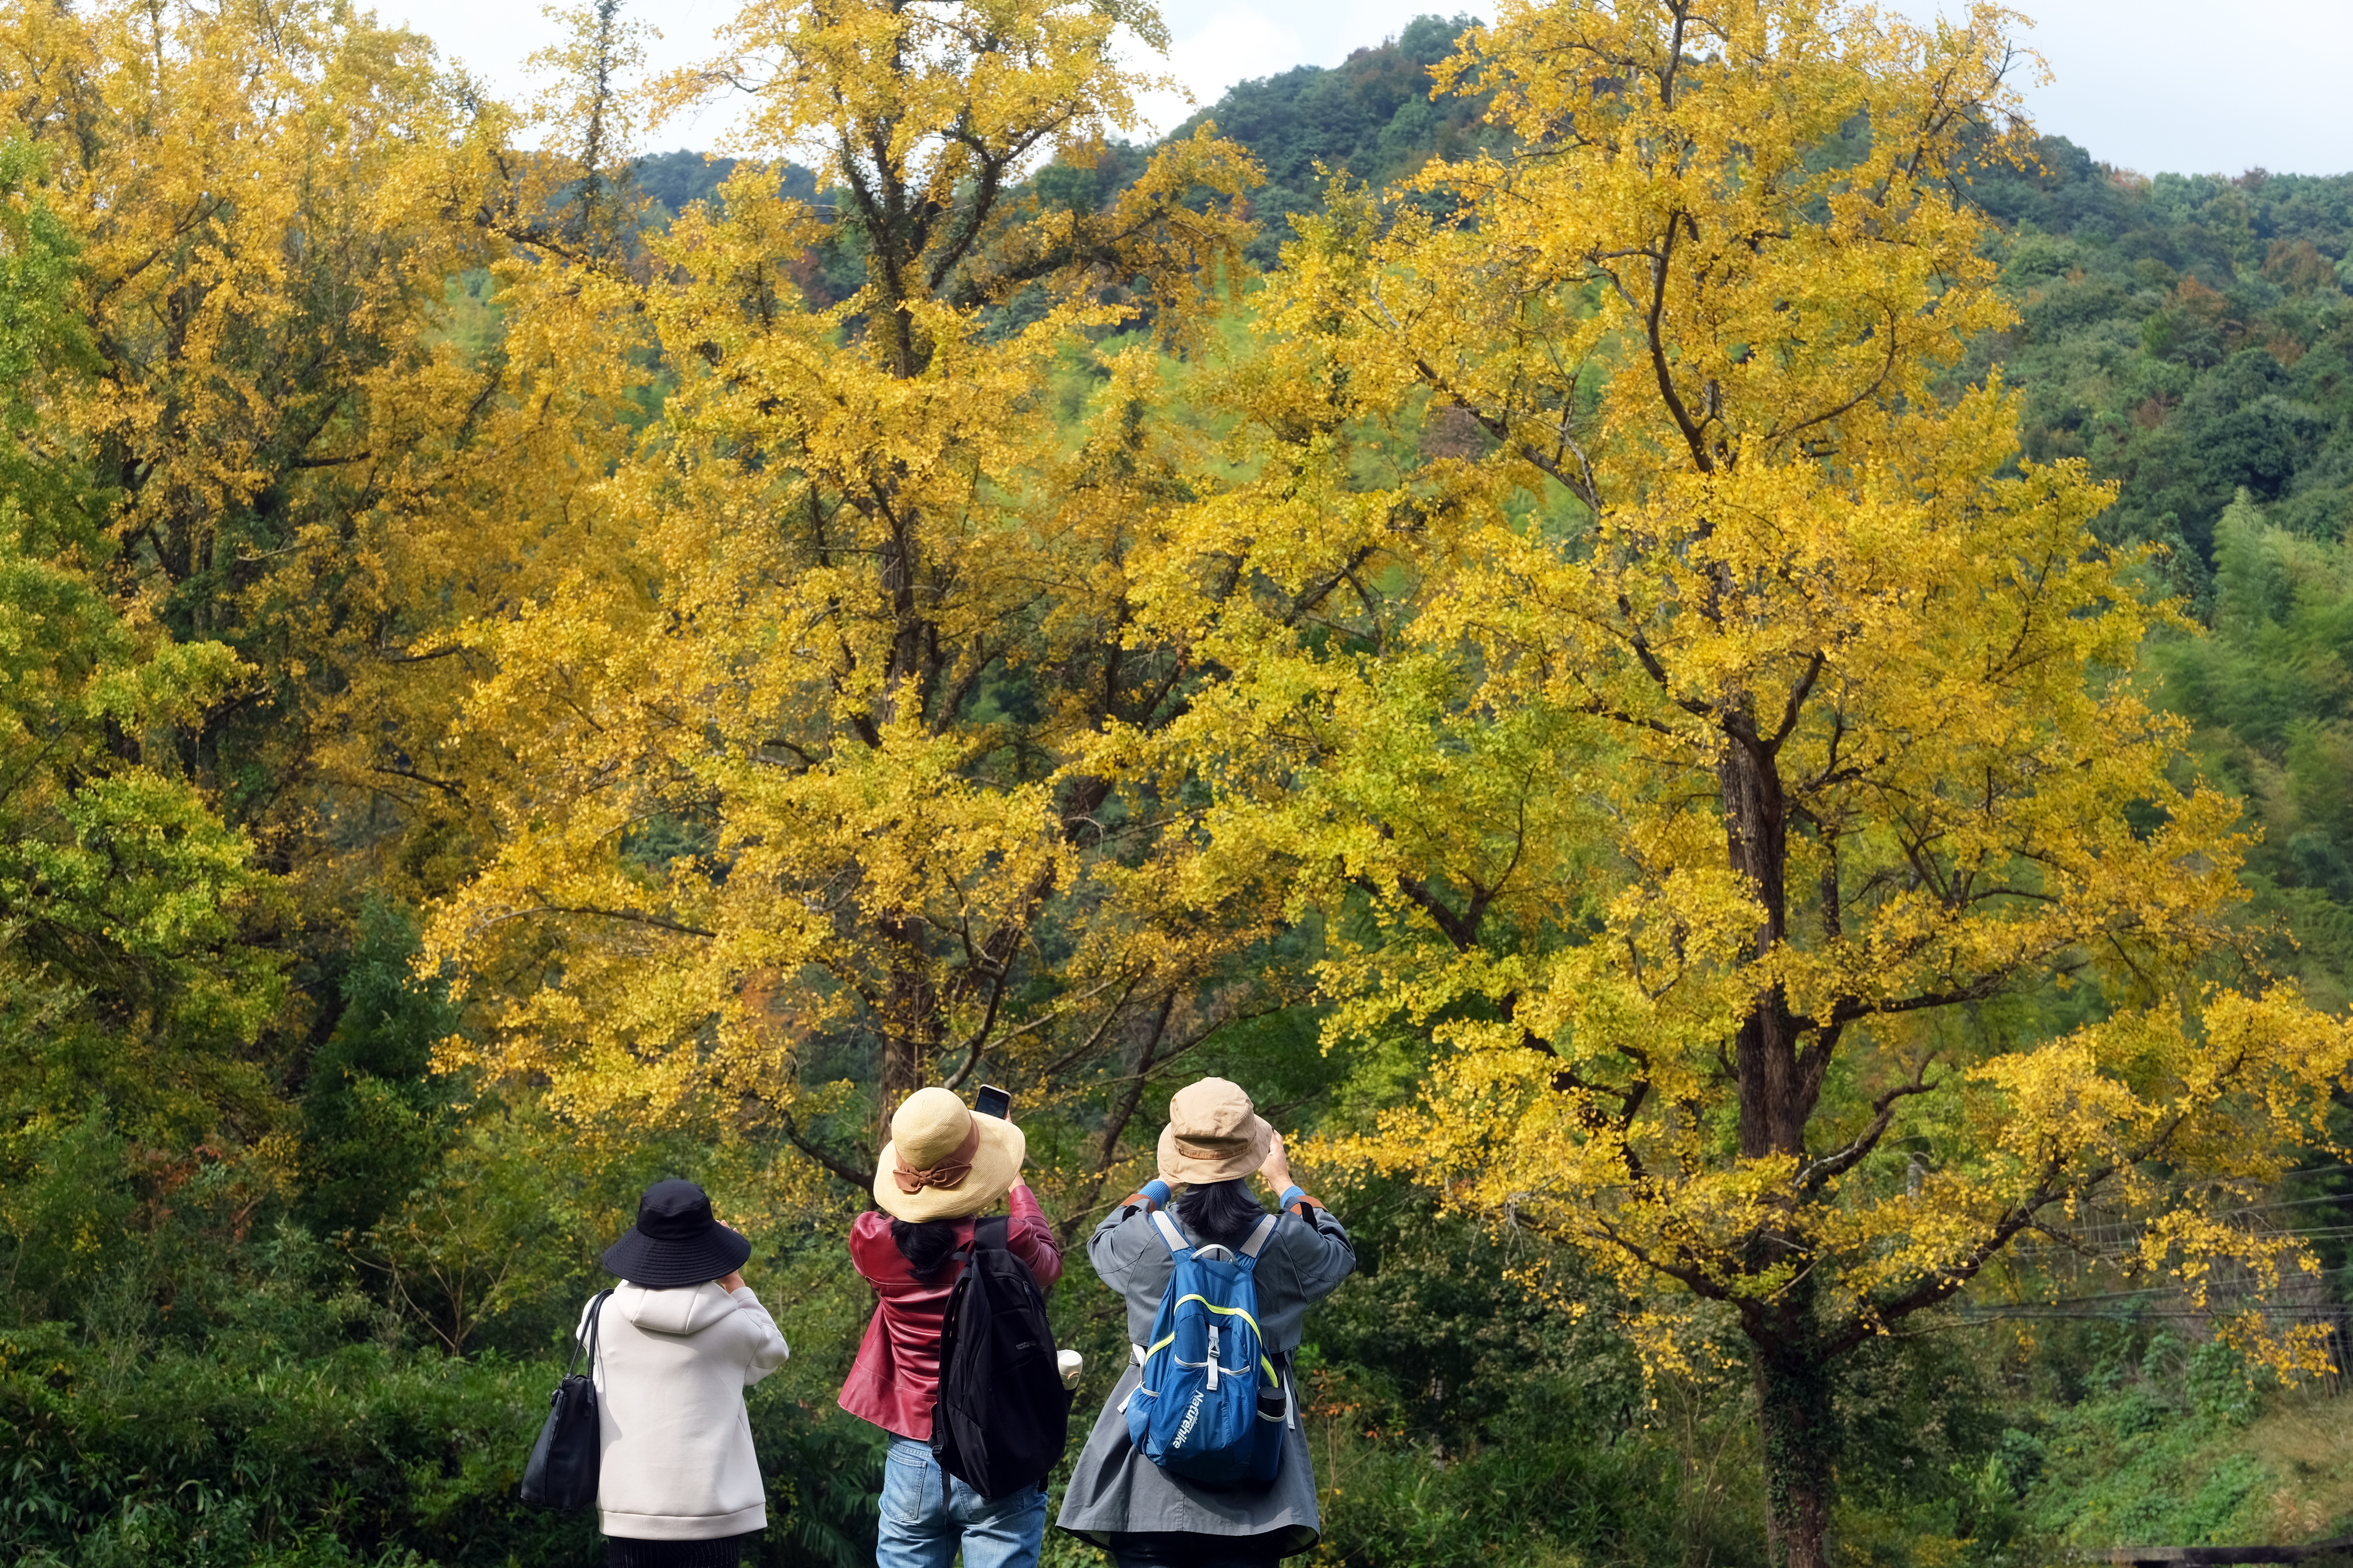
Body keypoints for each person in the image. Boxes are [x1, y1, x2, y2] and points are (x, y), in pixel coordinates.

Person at [1057, 1078, 1355, 1567]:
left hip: (1148, 1485)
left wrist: (1163, 1181)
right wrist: (1286, 1184)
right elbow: (1339, 1251)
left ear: (1179, 1154)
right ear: (1254, 1153)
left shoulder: (1148, 1239)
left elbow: (1102, 1237)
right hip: (1256, 1495)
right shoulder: (1284, 1242)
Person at [840, 1086, 1066, 1568]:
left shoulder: (870, 1242)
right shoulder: (1009, 1240)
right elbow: (1048, 1263)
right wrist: (1014, 1183)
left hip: (915, 1449)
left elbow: (912, 1230)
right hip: (998, 1444)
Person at [582, 1178, 792, 1568]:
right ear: (707, 1243)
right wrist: (735, 1282)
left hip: (630, 1514)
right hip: (713, 1514)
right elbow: (774, 1351)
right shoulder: (732, 1323)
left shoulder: (601, 1312)